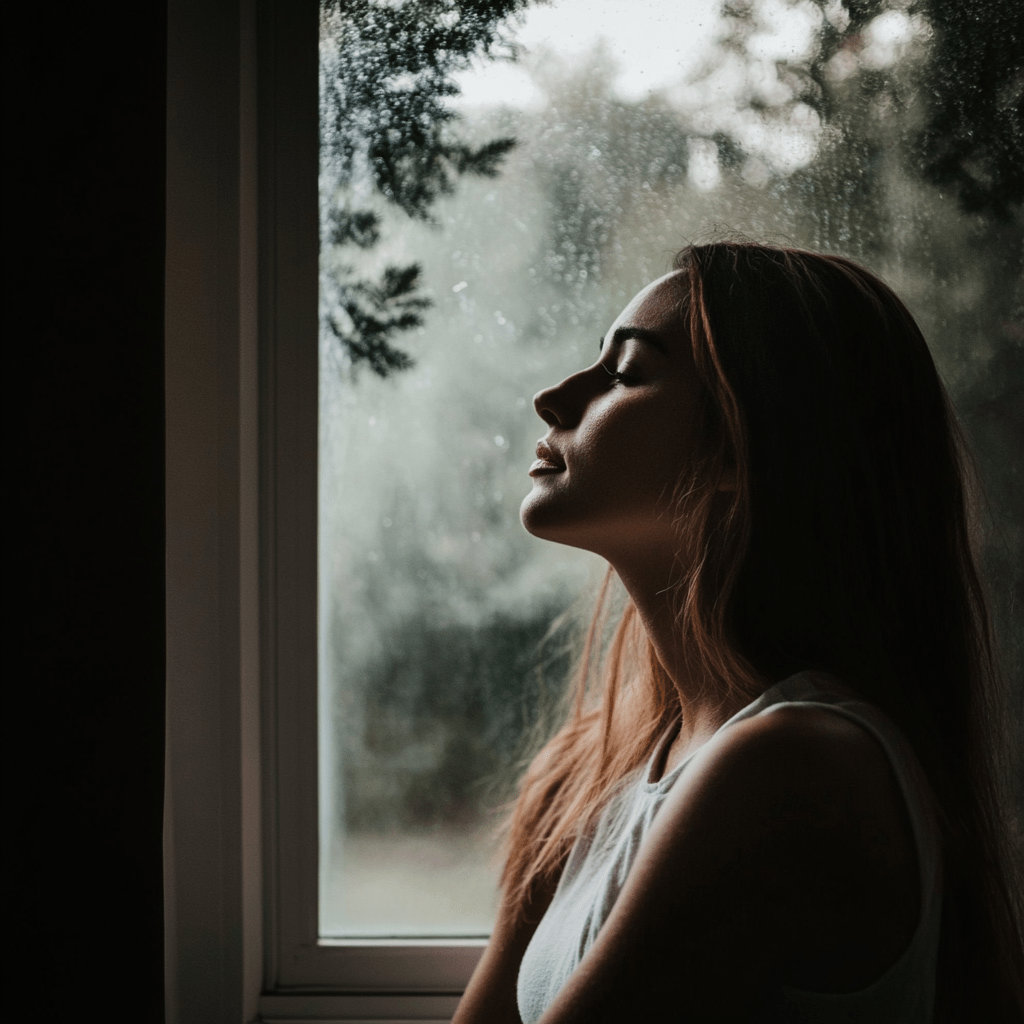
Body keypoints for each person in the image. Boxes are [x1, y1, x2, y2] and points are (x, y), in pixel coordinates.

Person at [451, 243, 1023, 1024]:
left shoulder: (795, 768)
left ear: (738, 449)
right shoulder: (584, 771)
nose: (554, 398)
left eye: (624, 373)